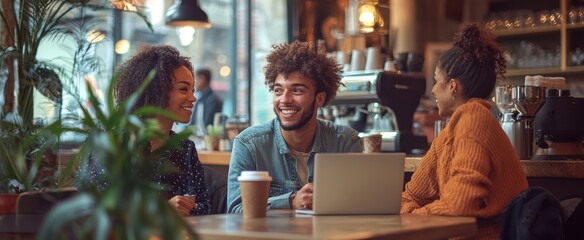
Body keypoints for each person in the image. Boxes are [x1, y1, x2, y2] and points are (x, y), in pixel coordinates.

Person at [400, 23, 528, 239]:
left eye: (436, 80)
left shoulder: (474, 118)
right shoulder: (452, 130)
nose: (432, 89)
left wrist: (414, 216)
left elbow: (460, 204)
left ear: (452, 86)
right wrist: (413, 213)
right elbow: (411, 195)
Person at [226, 40, 363, 214]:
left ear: (319, 99)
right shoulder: (249, 144)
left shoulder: (345, 142)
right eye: (278, 90)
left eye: (297, 90)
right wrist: (290, 201)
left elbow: (358, 207)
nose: (284, 100)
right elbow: (235, 210)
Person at [77, 45, 211, 216]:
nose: (193, 98)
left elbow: (205, 207)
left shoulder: (186, 148)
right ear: (156, 90)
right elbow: (98, 208)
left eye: (193, 90)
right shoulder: (110, 143)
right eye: (183, 89)